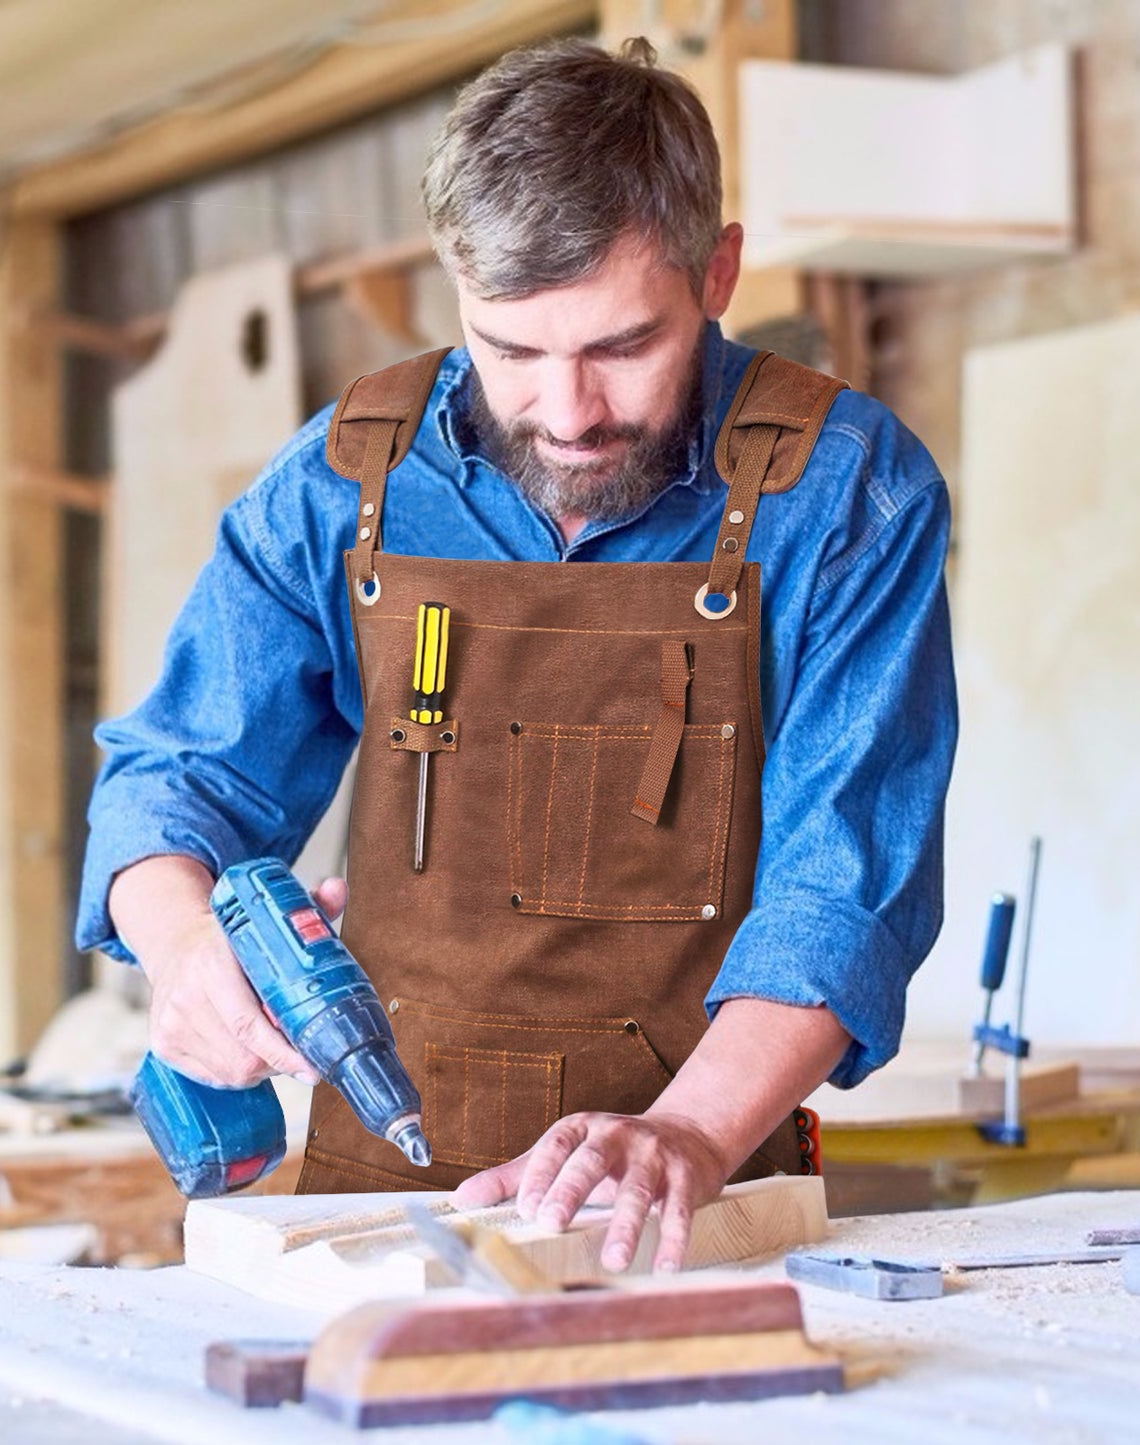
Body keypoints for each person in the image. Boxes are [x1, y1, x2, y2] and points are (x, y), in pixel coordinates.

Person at [78, 37, 957, 1273]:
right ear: (455, 290)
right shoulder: (351, 480)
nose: (566, 411)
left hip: (685, 1205)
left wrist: (688, 1132)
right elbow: (175, 774)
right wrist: (181, 951)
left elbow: (843, 880)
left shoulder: (843, 490)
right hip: (372, 1207)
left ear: (718, 272)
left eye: (617, 346)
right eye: (510, 350)